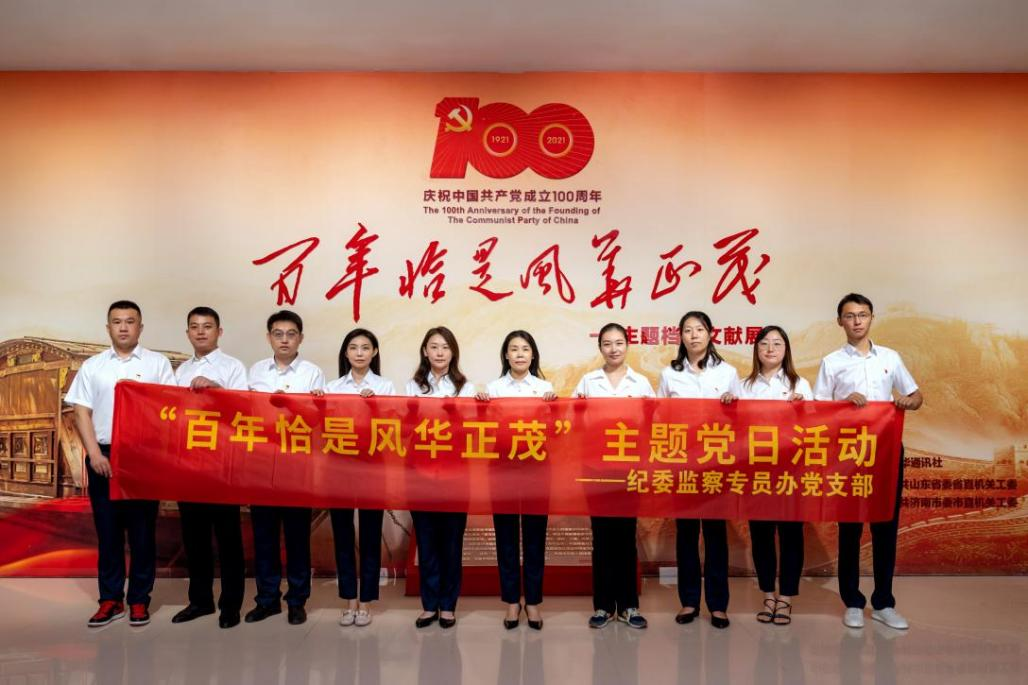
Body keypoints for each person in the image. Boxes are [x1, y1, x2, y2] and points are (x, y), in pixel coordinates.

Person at [814, 293, 922, 630]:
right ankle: (852, 601)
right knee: (849, 527)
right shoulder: (831, 362)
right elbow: (817, 409)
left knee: (885, 525)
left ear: (872, 317)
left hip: (886, 451)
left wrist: (907, 401)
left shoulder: (890, 357)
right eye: (850, 316)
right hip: (848, 453)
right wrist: (843, 403)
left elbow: (916, 395)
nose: (857, 321)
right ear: (840, 322)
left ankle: (884, 602)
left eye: (862, 314)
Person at [66, 300, 175, 628]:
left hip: (143, 457)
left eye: (130, 321)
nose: (124, 327)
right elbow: (80, 412)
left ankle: (139, 600)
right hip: (103, 456)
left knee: (142, 533)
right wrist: (95, 454)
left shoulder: (157, 364)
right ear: (108, 328)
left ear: (140, 327)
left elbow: (170, 409)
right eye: (117, 321)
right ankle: (110, 600)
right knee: (108, 532)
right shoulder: (93, 366)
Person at [724, 325, 812, 626]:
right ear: (756, 350)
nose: (770, 349)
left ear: (786, 350)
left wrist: (804, 409)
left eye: (777, 344)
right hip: (757, 471)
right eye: (764, 344)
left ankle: (786, 597)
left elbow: (817, 427)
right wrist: (727, 404)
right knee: (761, 535)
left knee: (790, 536)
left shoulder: (800, 384)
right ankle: (768, 594)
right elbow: (733, 428)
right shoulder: (744, 386)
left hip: (791, 471)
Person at [244, 310, 326, 626]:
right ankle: (267, 600)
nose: (284, 340)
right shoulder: (255, 372)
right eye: (278, 334)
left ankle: (296, 600)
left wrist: (292, 406)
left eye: (291, 334)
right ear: (269, 337)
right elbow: (246, 413)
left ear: (300, 338)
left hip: (297, 464)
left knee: (296, 538)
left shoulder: (312, 373)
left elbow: (319, 420)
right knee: (264, 537)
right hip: (262, 463)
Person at [170, 306, 249, 629]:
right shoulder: (179, 372)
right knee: (194, 538)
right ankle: (200, 601)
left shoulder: (233, 367)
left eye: (207, 326)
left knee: (228, 538)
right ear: (187, 333)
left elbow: (245, 409)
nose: (201, 332)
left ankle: (231, 605)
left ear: (219, 332)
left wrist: (217, 389)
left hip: (223, 465)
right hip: (188, 464)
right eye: (194, 326)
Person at [657, 311, 736, 629]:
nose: (693, 335)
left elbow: (742, 418)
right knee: (687, 535)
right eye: (687, 330)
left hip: (717, 462)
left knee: (716, 536)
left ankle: (718, 605)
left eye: (699, 329)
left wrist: (732, 404)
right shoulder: (669, 374)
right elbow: (660, 417)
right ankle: (689, 601)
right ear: (680, 336)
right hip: (684, 464)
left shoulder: (728, 372)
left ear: (710, 333)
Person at [475, 330, 557, 630]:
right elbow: (484, 430)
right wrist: (481, 406)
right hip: (502, 468)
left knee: (535, 537)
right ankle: (512, 601)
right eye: (514, 349)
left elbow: (555, 432)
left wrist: (553, 407)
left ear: (533, 355)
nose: (520, 354)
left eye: (525, 349)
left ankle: (532, 601)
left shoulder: (545, 389)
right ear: (506, 355)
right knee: (506, 536)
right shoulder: (493, 389)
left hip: (537, 468)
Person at [574, 322, 653, 630]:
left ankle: (629, 605)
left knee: (626, 537)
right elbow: (574, 421)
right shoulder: (588, 381)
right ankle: (604, 606)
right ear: (600, 348)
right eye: (607, 343)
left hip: (630, 470)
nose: (613, 349)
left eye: (619, 342)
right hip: (596, 470)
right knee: (602, 538)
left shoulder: (641, 382)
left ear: (627, 345)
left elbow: (653, 423)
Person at [322, 328, 394, 627]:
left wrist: (375, 405)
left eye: (365, 347)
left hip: (372, 468)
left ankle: (366, 602)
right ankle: (349, 600)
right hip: (339, 467)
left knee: (370, 533)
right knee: (342, 534)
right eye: (353, 347)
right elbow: (323, 425)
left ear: (374, 352)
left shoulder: (385, 386)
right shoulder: (331, 387)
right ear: (346, 353)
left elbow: (393, 425)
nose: (360, 353)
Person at [405, 326, 475, 629]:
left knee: (451, 543)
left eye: (445, 347)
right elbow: (406, 426)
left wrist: (454, 414)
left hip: (455, 476)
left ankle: (448, 605)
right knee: (426, 541)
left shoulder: (465, 387)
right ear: (425, 351)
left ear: (453, 352)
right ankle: (429, 605)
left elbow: (471, 429)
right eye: (434, 346)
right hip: (419, 473)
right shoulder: (412, 386)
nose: (439, 352)